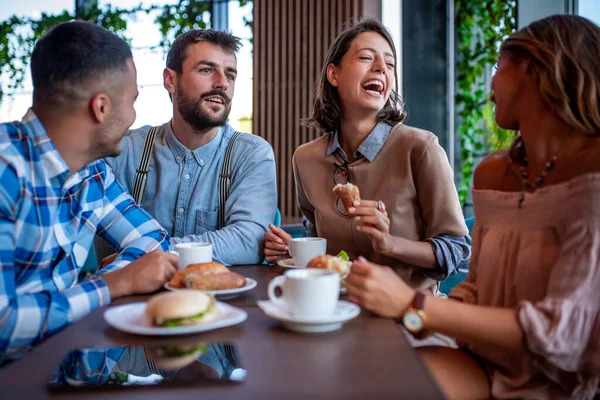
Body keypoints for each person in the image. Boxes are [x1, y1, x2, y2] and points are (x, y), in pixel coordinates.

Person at [346, 15, 600, 400]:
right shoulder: (494, 173)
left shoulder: (592, 178)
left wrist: (411, 303)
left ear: (530, 70)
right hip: (480, 362)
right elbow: (476, 289)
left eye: (498, 67)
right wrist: (407, 313)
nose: (491, 83)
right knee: (364, 378)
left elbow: (561, 333)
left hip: (563, 384)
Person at [0, 21, 179, 366]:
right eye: (132, 101)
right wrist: (114, 285)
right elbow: (4, 325)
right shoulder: (7, 171)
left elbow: (155, 240)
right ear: (101, 108)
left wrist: (112, 280)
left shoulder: (92, 172)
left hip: (61, 365)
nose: (133, 116)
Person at [264, 19, 470, 293]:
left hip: (407, 317)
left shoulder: (421, 148)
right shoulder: (305, 158)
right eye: (365, 58)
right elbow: (316, 238)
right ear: (333, 74)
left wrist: (389, 243)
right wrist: (291, 249)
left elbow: (457, 250)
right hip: (333, 309)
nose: (381, 68)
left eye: (390, 64)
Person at [104, 29, 277, 266]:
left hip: (221, 300)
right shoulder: (126, 150)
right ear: (170, 80)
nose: (222, 84)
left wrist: (147, 256)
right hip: (133, 300)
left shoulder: (251, 154)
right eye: (207, 70)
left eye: (230, 75)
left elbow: (249, 242)